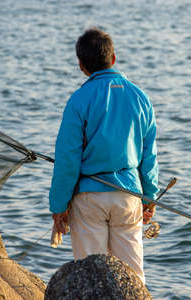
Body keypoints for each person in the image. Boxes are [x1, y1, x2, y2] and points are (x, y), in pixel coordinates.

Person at [49, 27, 159, 283]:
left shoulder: (78, 100)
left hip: (89, 200)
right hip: (129, 198)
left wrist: (58, 205)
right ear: (113, 58)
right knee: (132, 279)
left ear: (81, 66)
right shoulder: (140, 98)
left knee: (90, 277)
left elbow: (67, 159)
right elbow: (149, 156)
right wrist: (149, 198)